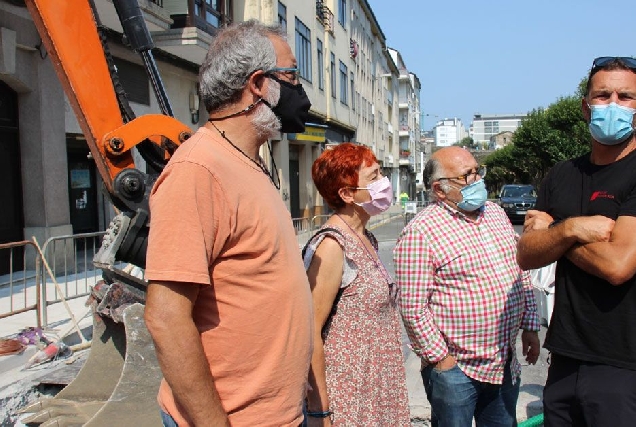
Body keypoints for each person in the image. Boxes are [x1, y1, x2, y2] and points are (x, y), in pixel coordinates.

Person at [143, 20, 313, 427]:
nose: (299, 91)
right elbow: (166, 318)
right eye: (291, 76)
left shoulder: (249, 162)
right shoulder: (198, 170)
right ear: (258, 84)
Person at [517, 56, 636, 427]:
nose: (612, 104)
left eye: (625, 97)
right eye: (602, 95)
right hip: (566, 356)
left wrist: (555, 227)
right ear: (586, 107)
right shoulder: (562, 175)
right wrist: (571, 230)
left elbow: (617, 266)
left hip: (623, 365)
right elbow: (526, 254)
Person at [394, 146, 541, 427]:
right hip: (456, 371)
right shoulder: (421, 232)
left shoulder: (496, 214)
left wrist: (530, 325)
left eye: (477, 171)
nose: (477, 180)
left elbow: (519, 272)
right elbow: (413, 308)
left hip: (503, 362)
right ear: (440, 190)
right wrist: (442, 360)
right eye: (466, 175)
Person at [303, 142, 410, 426]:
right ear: (347, 194)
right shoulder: (332, 244)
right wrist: (320, 410)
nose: (384, 183)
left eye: (381, 174)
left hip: (378, 387)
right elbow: (309, 330)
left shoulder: (367, 237)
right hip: (348, 396)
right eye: (373, 177)